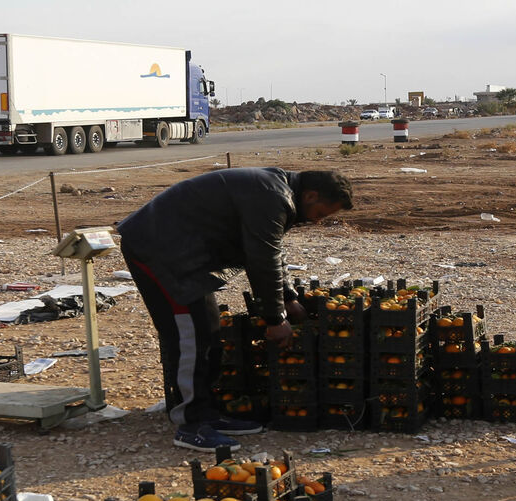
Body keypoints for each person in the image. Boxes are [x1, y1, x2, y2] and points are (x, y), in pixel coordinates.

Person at [117, 168, 353, 451]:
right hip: (159, 249)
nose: (317, 221)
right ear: (311, 195)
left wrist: (288, 297)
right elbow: (262, 257)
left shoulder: (278, 193)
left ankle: (207, 414)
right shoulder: (272, 195)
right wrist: (275, 318)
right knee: (191, 335)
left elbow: (272, 249)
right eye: (320, 213)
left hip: (182, 252)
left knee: (209, 330)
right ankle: (191, 425)